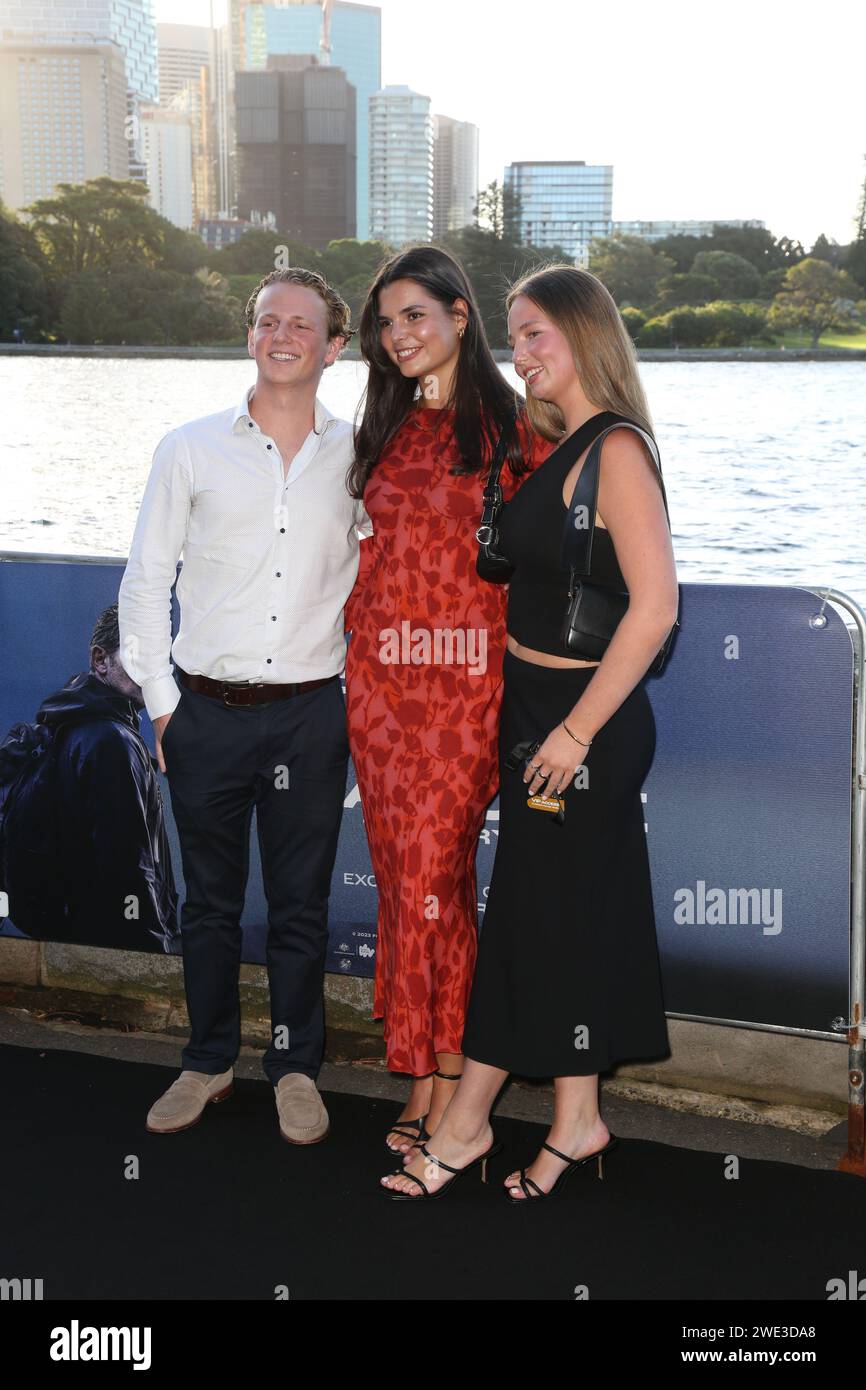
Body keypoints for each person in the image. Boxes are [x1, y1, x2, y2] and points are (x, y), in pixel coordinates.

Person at [380, 264, 679, 1200]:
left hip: (579, 728)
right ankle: (577, 1123)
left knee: (523, 928)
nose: (523, 352)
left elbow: (657, 609)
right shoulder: (559, 442)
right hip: (535, 714)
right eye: (515, 335)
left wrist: (577, 736)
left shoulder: (617, 451)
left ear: (587, 335)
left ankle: (465, 1128)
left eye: (538, 333)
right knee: (566, 923)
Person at [118, 268, 371, 1141]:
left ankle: (296, 1068)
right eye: (268, 320)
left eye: (302, 323)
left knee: (300, 905)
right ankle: (207, 1061)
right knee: (209, 905)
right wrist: (159, 705)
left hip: (310, 714)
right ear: (251, 335)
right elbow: (147, 580)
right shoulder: (189, 446)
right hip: (204, 714)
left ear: (334, 348)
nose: (283, 333)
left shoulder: (363, 456)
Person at [344, 245, 553, 1156]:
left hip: (468, 690)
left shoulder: (519, 429)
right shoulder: (382, 428)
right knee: (404, 887)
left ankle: (455, 1090)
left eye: (415, 316)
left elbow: (564, 553)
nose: (398, 336)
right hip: (382, 690)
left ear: (461, 316)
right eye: (386, 324)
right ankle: (422, 1077)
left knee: (437, 883)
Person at [0, 602, 178, 951]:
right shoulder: (112, 742)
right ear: (100, 660)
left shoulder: (71, 722)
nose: (153, 669)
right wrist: (156, 951)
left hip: (74, 934)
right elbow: (129, 864)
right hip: (110, 940)